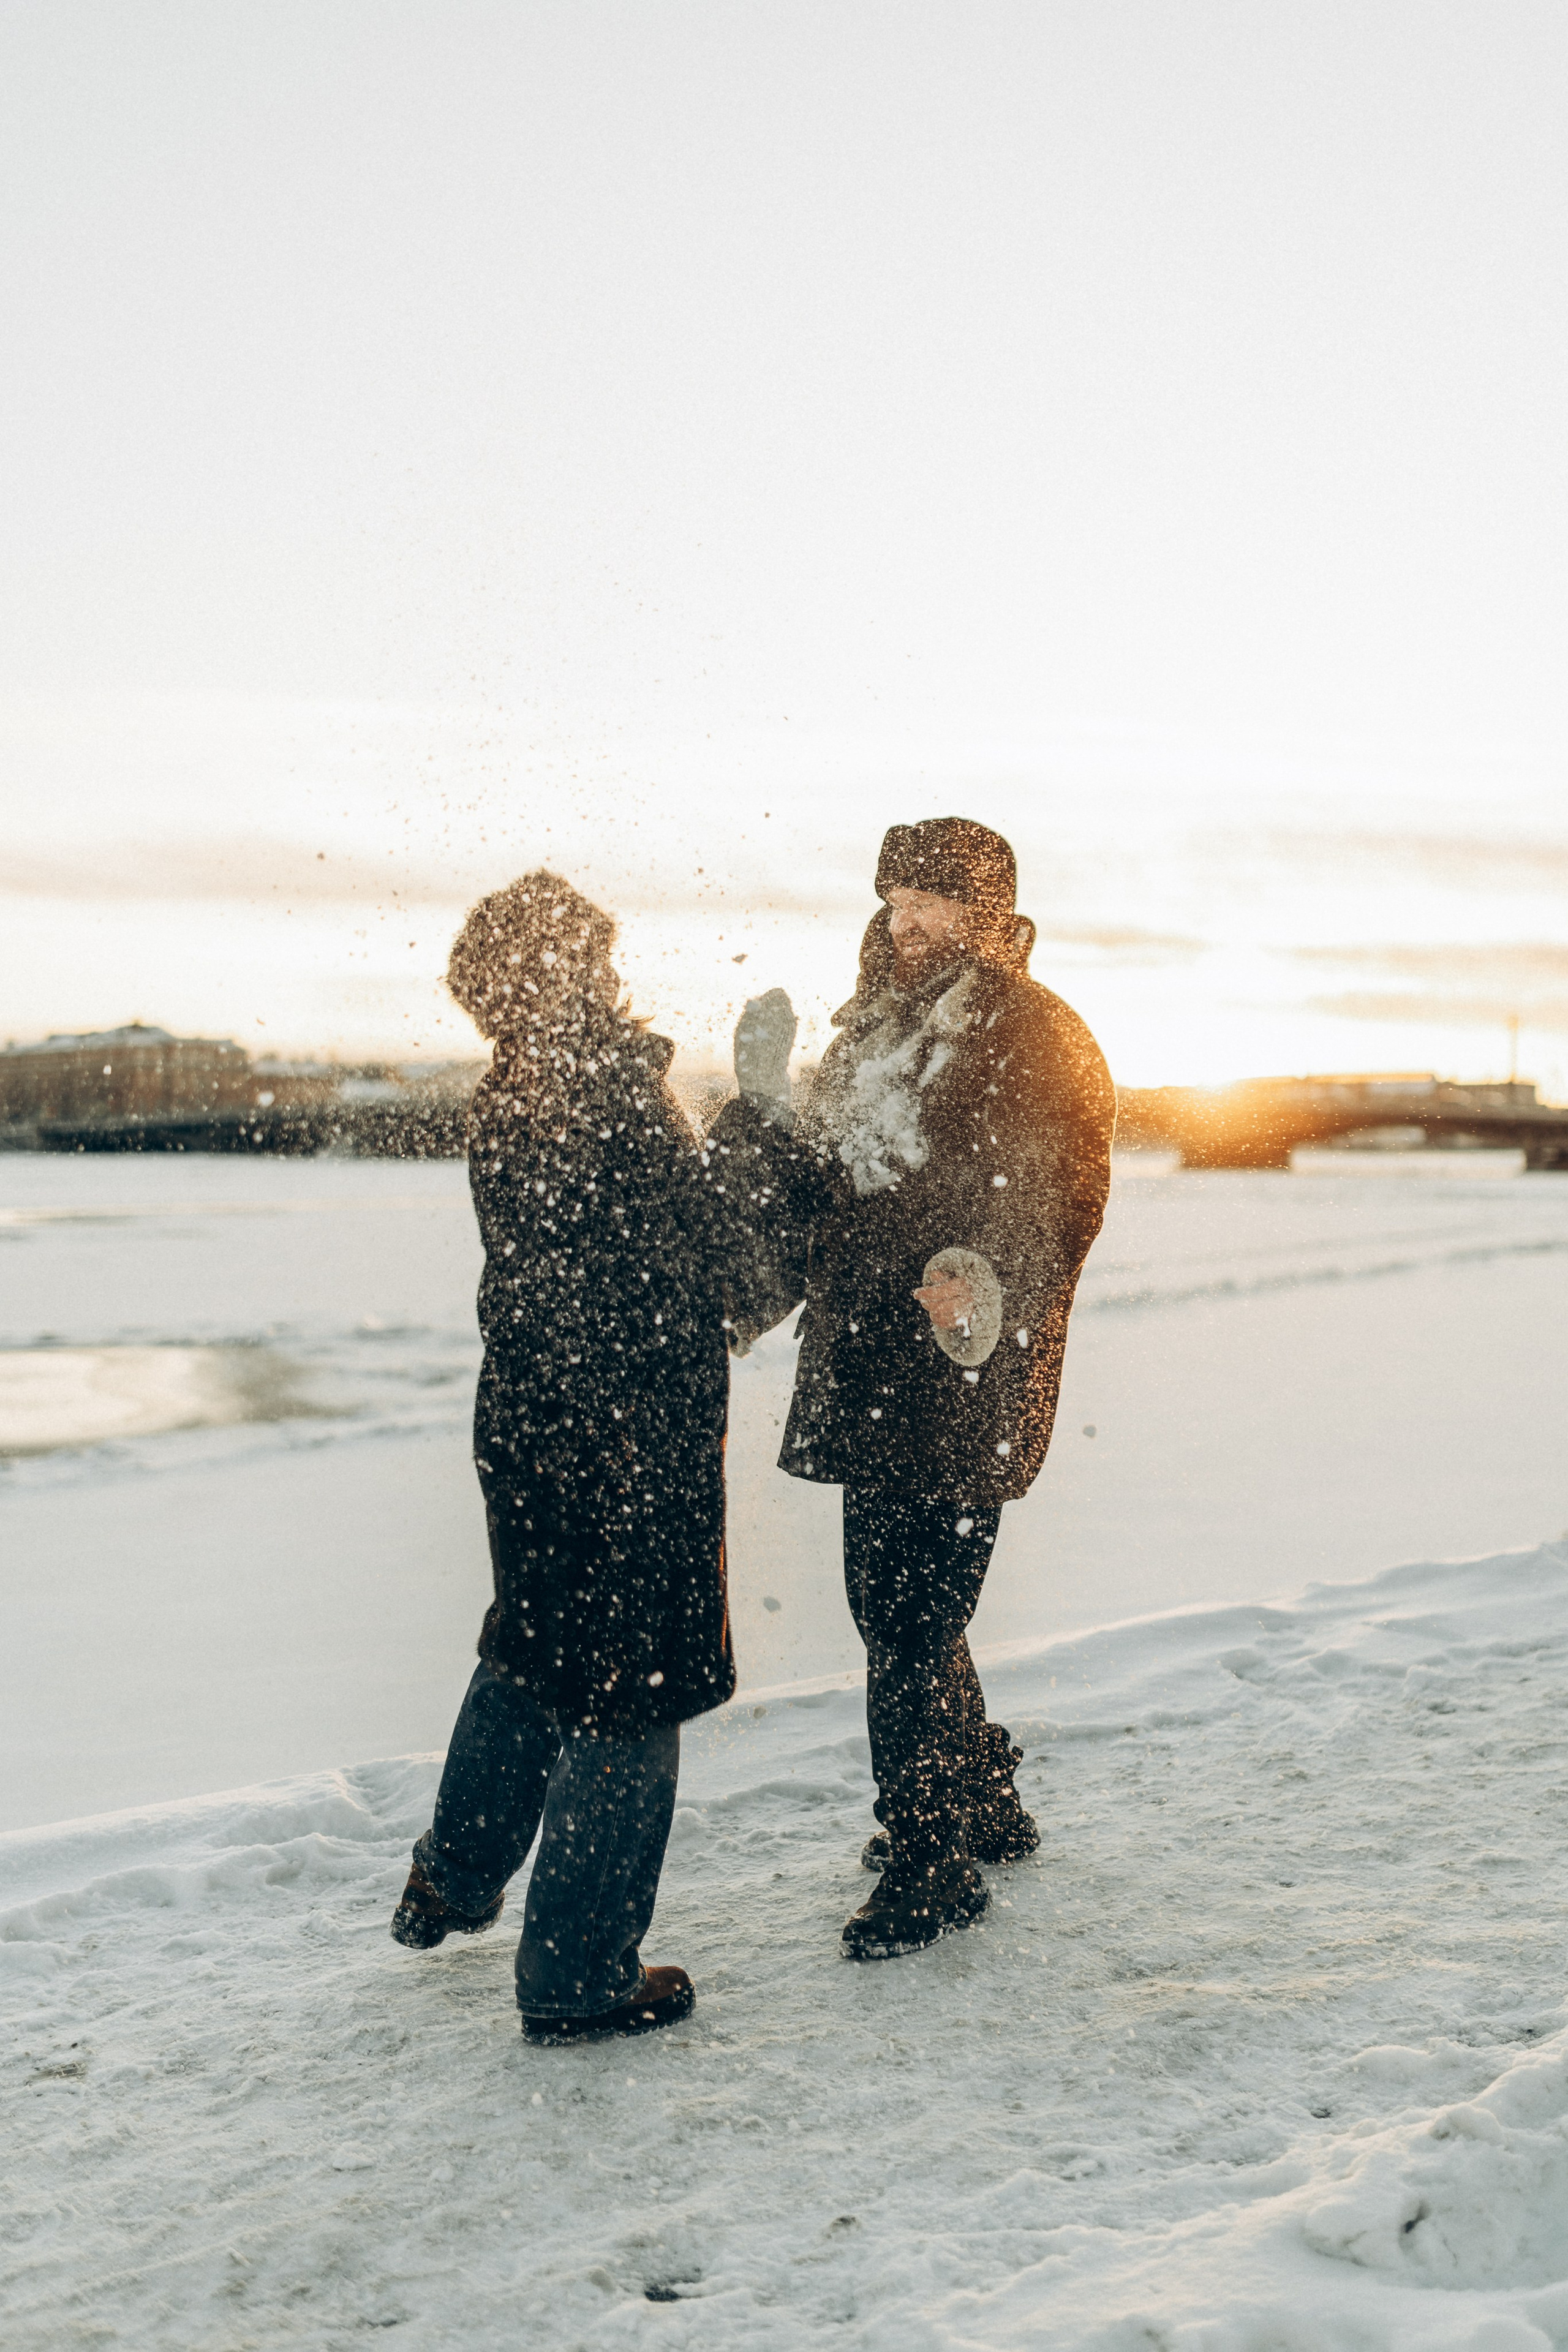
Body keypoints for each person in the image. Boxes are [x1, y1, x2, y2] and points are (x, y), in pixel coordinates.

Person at [390, 872, 794, 2041]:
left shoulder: (508, 1089)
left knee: (533, 1644)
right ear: (571, 972)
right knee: (630, 1688)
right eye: (601, 958)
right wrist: (759, 1114)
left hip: (528, 1430)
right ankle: (576, 1979)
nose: (618, 977)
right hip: (634, 1441)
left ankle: (452, 1880)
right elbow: (737, 1277)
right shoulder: (616, 1092)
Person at [738, 818, 1115, 1960]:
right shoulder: (874, 1030)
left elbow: (1061, 1200)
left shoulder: (1036, 1034)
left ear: (985, 915)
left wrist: (981, 1276)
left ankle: (930, 1859)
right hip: (875, 1361)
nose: (904, 929)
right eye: (895, 904)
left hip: (961, 1364)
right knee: (905, 1611)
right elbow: (831, 1181)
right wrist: (761, 1102)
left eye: (932, 909)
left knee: (905, 1617)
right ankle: (976, 1803)